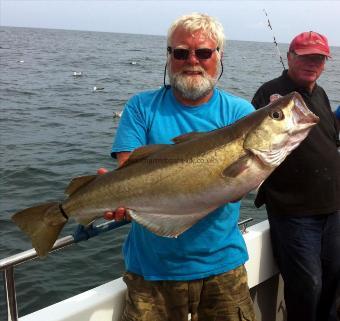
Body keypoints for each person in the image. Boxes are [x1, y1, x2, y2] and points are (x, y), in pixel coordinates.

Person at [106, 13, 257, 321]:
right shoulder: (141, 107)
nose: (192, 60)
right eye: (180, 52)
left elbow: (240, 187)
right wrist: (116, 194)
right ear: (168, 56)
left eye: (203, 52)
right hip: (151, 271)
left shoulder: (242, 113)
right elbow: (130, 170)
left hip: (223, 266)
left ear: (218, 56)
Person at [252, 31, 340, 321]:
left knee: (332, 283)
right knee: (308, 286)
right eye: (304, 56)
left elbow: (330, 140)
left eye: (318, 58)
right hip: (294, 212)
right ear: (290, 57)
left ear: (325, 63)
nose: (311, 63)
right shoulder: (271, 93)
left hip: (332, 208)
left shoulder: (322, 94)